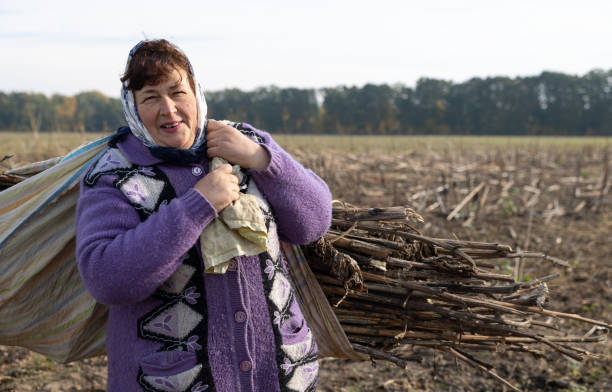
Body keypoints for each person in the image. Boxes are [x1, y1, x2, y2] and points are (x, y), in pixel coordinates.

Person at [75, 39, 331, 392]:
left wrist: (261, 159)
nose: (169, 109)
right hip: (170, 380)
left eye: (178, 92)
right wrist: (197, 205)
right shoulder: (114, 175)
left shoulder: (242, 143)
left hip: (276, 378)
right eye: (150, 97)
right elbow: (107, 279)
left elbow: (314, 222)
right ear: (132, 108)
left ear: (196, 93)